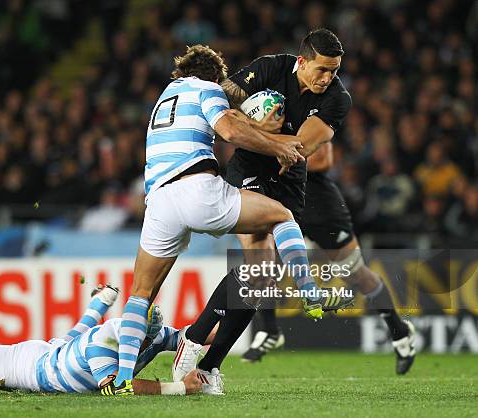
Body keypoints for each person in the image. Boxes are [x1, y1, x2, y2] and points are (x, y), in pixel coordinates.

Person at [112, 44, 354, 396]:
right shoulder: (212, 87)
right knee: (280, 219)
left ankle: (121, 380)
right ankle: (307, 290)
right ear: (214, 75)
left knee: (143, 293)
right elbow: (231, 131)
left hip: (160, 199)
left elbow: (298, 138)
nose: (328, 77)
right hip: (199, 187)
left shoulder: (166, 96)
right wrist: (276, 144)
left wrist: (259, 128)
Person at [172, 29, 376, 389]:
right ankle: (195, 342)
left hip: (290, 180)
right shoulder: (269, 69)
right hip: (248, 169)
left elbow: (298, 147)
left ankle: (206, 359)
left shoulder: (337, 99)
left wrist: (251, 128)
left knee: (262, 277)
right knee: (258, 268)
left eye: (335, 71)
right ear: (302, 61)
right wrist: (251, 126)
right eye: (323, 70)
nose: (328, 78)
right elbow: (221, 102)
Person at [0, 239, 207, 396]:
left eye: (145, 339)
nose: (140, 343)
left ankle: (97, 305)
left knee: (66, 346)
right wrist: (180, 387)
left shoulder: (153, 334)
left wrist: (244, 301)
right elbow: (116, 389)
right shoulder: (106, 341)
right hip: (28, 367)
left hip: (56, 356)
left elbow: (197, 333)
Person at [242, 141, 417, 375]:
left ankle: (399, 332)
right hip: (281, 197)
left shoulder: (304, 112)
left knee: (356, 274)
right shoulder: (263, 118)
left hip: (318, 203)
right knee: (261, 262)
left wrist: (279, 156)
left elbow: (324, 159)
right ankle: (270, 329)